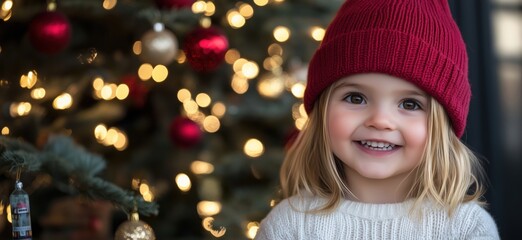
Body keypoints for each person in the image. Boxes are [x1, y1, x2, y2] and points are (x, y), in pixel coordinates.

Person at [255, 0, 500, 239]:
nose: (380, 121)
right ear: (322, 110)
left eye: (409, 104)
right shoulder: (288, 225)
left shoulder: (466, 228)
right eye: (355, 98)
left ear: (442, 126)